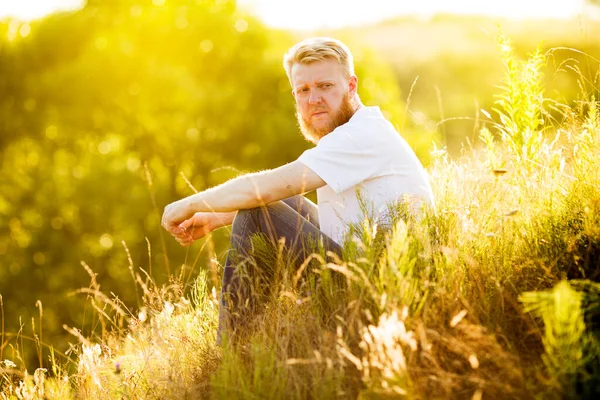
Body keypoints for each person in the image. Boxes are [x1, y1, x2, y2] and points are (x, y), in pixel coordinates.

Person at [161, 37, 434, 344]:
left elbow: (265, 188)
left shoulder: (359, 136)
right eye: (303, 90)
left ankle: (231, 351)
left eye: (325, 86)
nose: (313, 98)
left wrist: (190, 204)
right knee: (277, 202)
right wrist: (217, 217)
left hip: (381, 294)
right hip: (372, 273)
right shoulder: (357, 130)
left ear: (351, 86)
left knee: (257, 213)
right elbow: (280, 194)